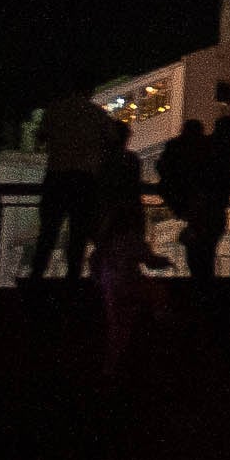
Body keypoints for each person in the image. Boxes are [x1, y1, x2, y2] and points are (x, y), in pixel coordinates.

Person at [88, 132, 160, 379]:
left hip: (113, 283)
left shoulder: (108, 242)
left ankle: (112, 370)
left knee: (117, 328)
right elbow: (148, 258)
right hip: (128, 284)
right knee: (124, 327)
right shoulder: (128, 163)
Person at [28, 95, 121, 281]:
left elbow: (40, 139)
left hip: (57, 176)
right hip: (84, 179)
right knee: (78, 234)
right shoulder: (96, 114)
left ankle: (36, 277)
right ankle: (73, 280)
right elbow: (113, 141)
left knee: (48, 231)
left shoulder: (55, 110)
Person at [157, 114, 230, 282]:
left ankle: (200, 292)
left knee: (199, 258)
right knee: (205, 256)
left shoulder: (195, 152)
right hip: (210, 211)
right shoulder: (215, 151)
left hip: (198, 211)